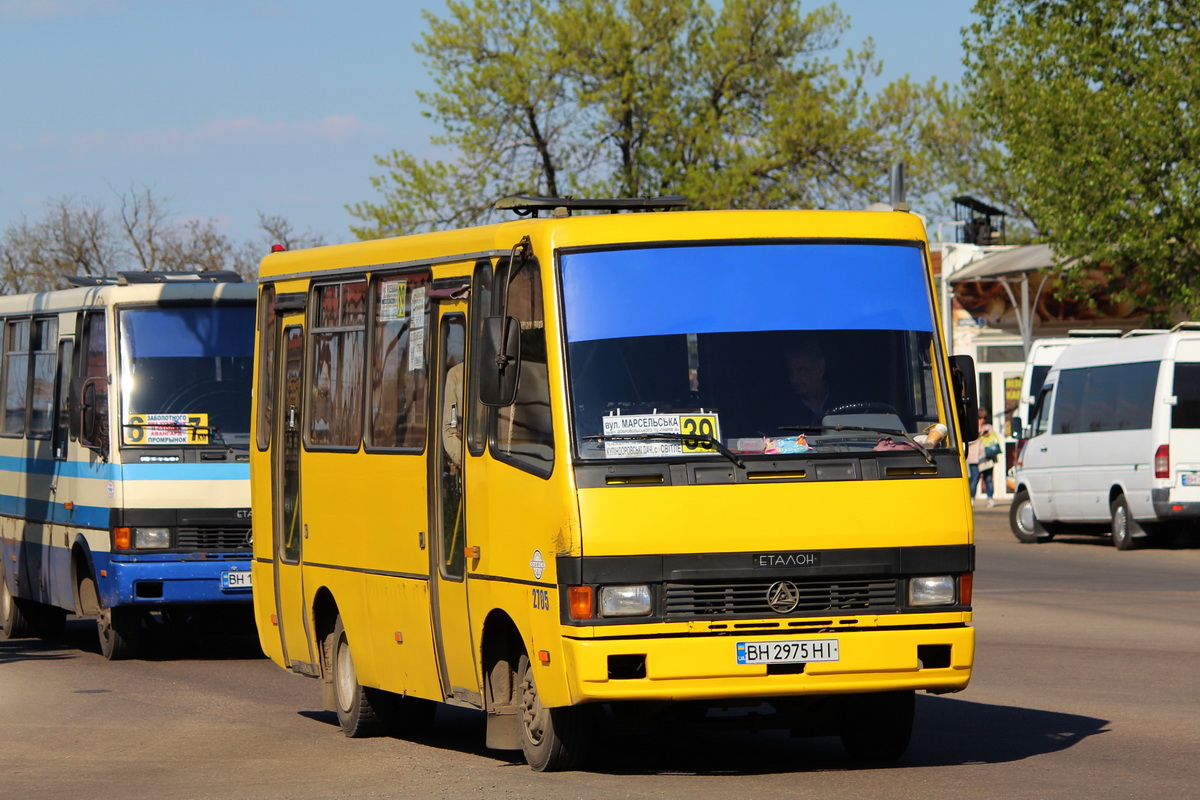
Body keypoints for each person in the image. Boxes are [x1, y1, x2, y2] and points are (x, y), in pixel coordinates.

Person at [967, 409, 998, 507]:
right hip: (974, 458)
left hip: (986, 458)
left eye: (984, 418)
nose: (982, 420)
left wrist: (987, 435)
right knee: (974, 479)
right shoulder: (971, 428)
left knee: (988, 479)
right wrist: (979, 433)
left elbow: (993, 439)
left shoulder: (988, 427)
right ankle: (972, 500)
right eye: (980, 418)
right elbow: (969, 442)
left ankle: (990, 499)